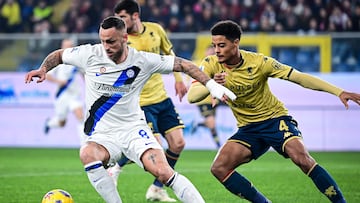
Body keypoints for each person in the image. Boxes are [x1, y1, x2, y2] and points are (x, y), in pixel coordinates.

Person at [25, 16, 236, 203]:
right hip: (103, 135)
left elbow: (182, 64)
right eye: (103, 40)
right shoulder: (89, 54)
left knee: (163, 172)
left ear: (125, 38)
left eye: (111, 41)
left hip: (134, 130)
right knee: (87, 153)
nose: (106, 46)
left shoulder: (142, 60)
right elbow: (60, 55)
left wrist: (211, 86)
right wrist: (43, 69)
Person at [187, 20, 360, 203]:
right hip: (248, 128)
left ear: (236, 42)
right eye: (214, 46)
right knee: (219, 168)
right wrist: (212, 84)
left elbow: (299, 78)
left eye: (222, 45)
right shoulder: (211, 64)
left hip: (275, 119)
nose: (217, 50)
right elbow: (192, 96)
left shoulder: (260, 62)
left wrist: (338, 92)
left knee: (301, 158)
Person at [108, 1, 188, 201]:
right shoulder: (122, 39)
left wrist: (179, 79)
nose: (120, 22)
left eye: (123, 17)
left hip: (161, 98)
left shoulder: (156, 30)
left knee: (178, 143)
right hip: (139, 102)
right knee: (153, 145)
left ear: (135, 16)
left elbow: (169, 54)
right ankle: (115, 168)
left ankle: (156, 189)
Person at [43, 38, 86, 145]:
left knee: (81, 117)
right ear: (62, 47)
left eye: (70, 46)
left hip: (74, 95)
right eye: (66, 46)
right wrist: (59, 81)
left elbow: (83, 74)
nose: (68, 48)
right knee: (61, 123)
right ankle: (49, 123)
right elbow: (47, 76)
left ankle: (84, 144)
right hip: (62, 95)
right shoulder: (58, 62)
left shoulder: (77, 62)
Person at [191, 45, 221, 149]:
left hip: (214, 99)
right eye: (209, 51)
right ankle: (219, 146)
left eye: (213, 52)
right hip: (202, 99)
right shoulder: (198, 63)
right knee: (212, 123)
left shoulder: (217, 65)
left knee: (211, 124)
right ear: (205, 52)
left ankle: (198, 124)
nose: (211, 53)